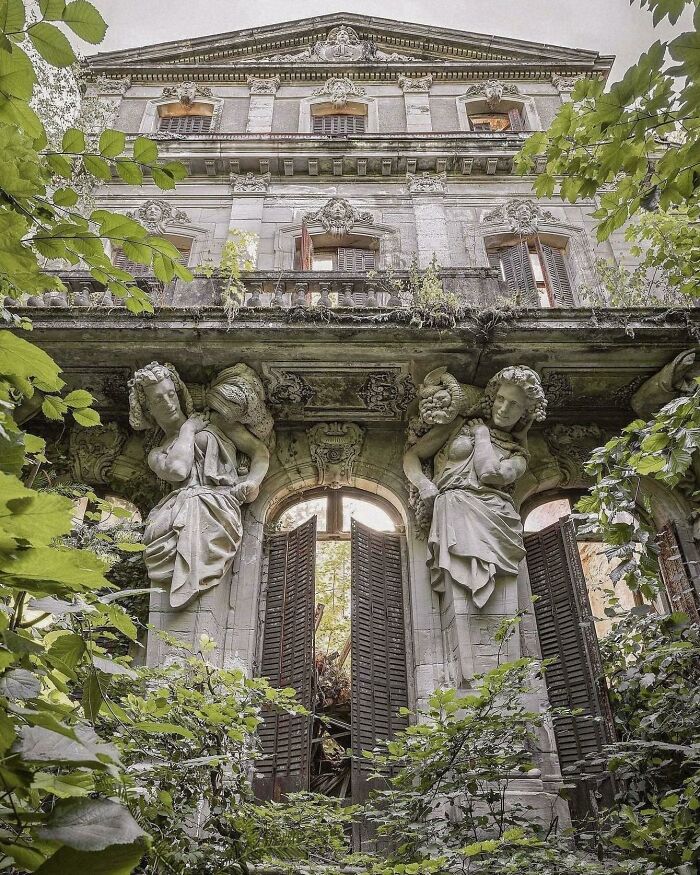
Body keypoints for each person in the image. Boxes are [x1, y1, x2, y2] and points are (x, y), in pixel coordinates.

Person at [128, 362, 270, 608]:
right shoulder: (157, 452)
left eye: (171, 394)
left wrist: (253, 482)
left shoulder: (216, 422)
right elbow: (178, 469)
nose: (170, 403)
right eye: (159, 400)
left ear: (179, 392)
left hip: (216, 505)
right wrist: (188, 429)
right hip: (175, 513)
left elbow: (259, 452)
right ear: (148, 408)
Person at [404, 365, 546, 609]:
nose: (503, 408)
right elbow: (412, 456)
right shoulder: (458, 425)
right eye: (500, 399)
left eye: (513, 405)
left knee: (498, 603)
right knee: (458, 597)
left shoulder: (517, 455)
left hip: (495, 516)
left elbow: (490, 473)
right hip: (453, 506)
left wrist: (482, 435)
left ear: (525, 413)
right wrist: (423, 483)